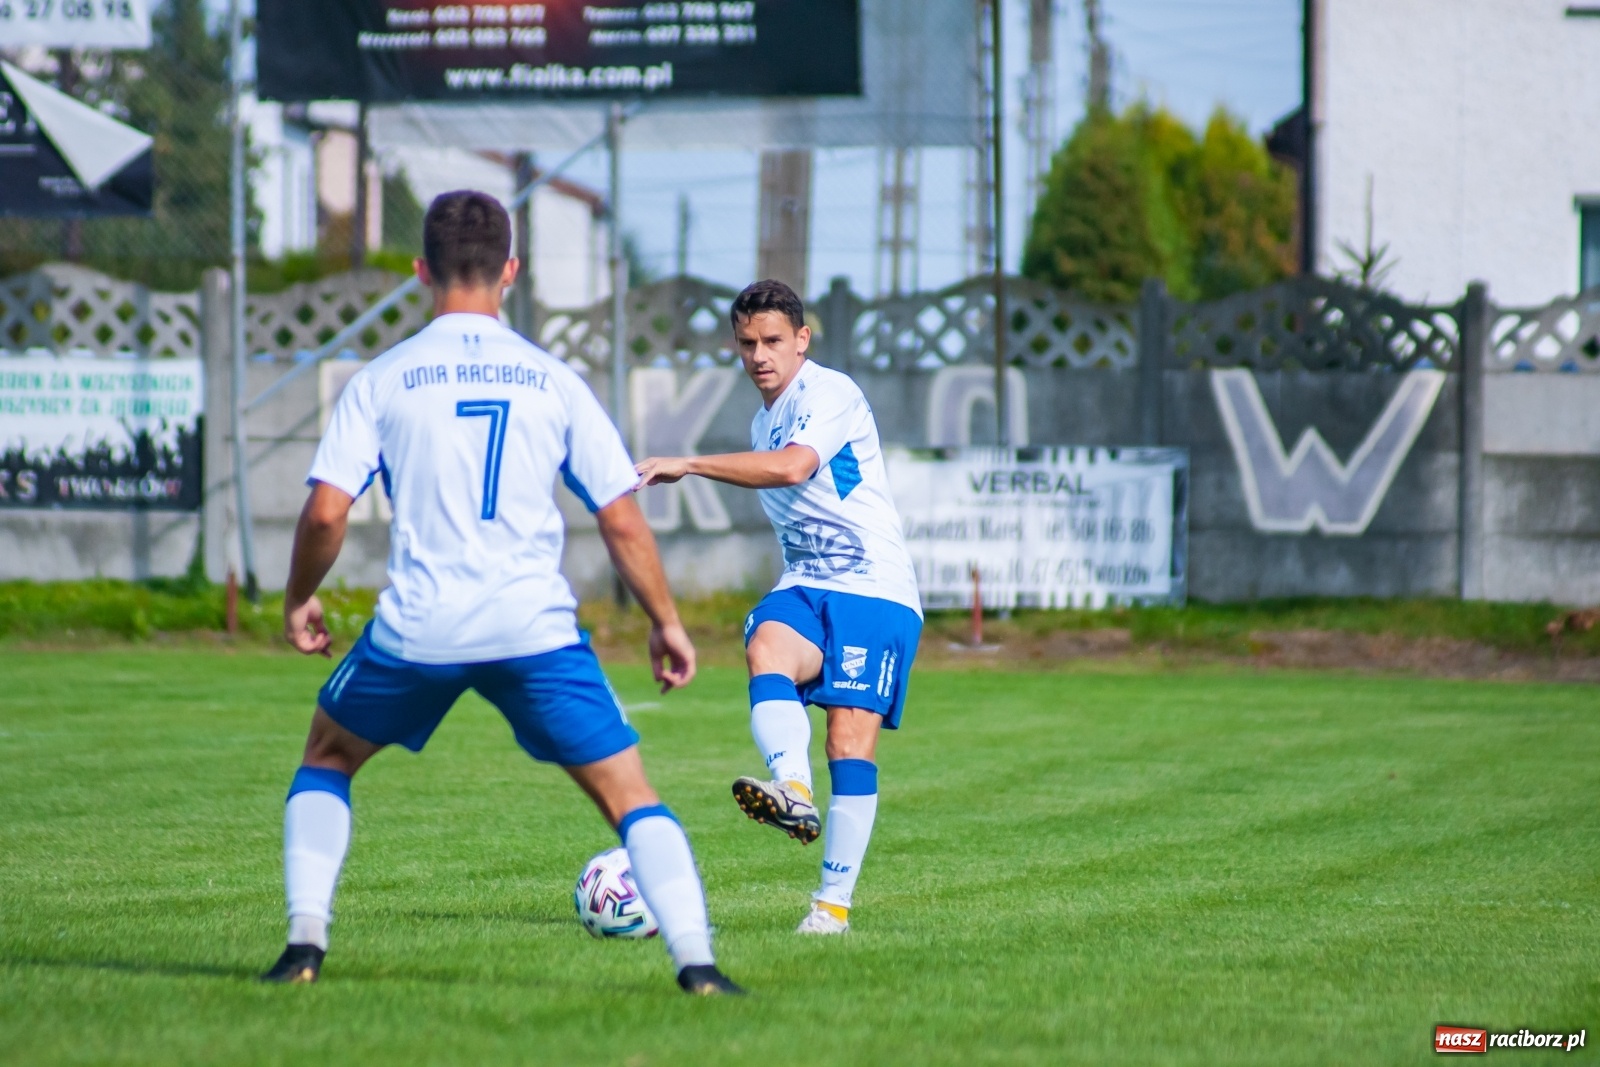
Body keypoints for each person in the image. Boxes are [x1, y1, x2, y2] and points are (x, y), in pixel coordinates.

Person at [261, 190, 741, 995]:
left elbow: (324, 512)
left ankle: (305, 947)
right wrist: (667, 622)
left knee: (329, 756)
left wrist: (297, 598)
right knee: (630, 795)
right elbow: (622, 520)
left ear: (421, 270)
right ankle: (697, 963)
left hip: (418, 629)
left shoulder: (382, 379)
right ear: (510, 271)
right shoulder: (553, 381)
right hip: (534, 629)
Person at [634, 279, 923, 935]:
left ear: (801, 340)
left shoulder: (830, 392)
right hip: (808, 581)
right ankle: (791, 788)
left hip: (873, 588)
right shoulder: (762, 420)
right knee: (765, 641)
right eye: (746, 343)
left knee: (849, 740)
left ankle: (831, 908)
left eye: (771, 341)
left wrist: (691, 463)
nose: (759, 355)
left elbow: (795, 468)